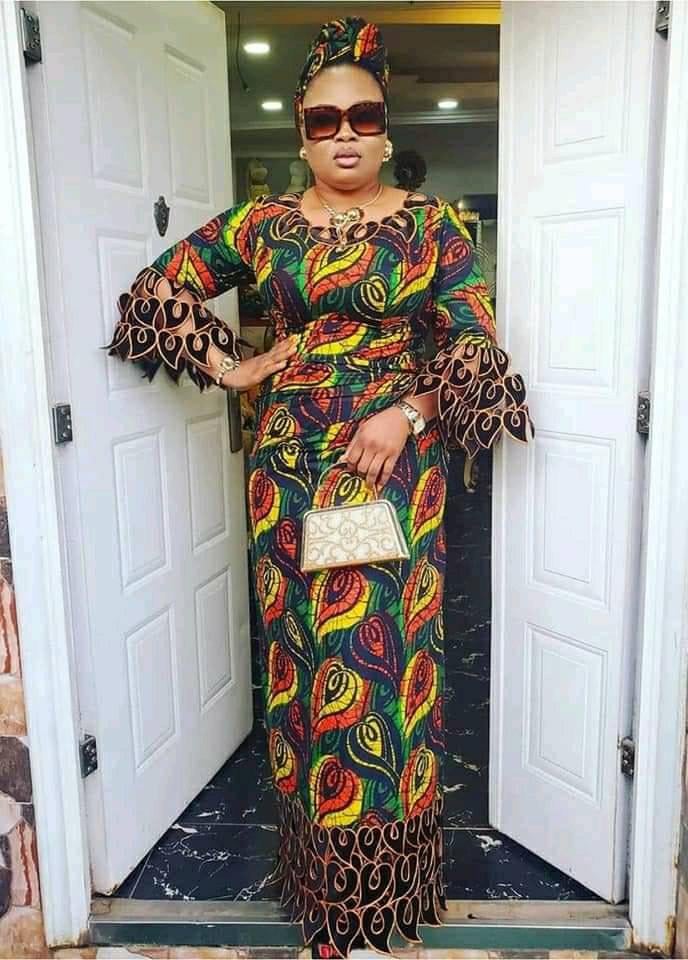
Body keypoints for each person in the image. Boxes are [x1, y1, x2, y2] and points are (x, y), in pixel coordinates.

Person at [107, 17, 533, 959]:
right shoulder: (262, 226)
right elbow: (158, 291)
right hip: (290, 471)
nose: (345, 134)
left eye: (364, 116)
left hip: (387, 471)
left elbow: (473, 345)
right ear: (301, 132)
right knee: (303, 666)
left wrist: (407, 412)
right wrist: (235, 369)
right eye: (324, 119)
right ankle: (327, 904)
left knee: (385, 669)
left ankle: (382, 907)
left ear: (386, 128)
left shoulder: (431, 229)